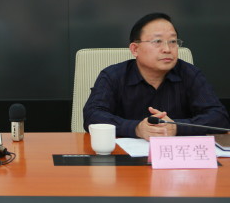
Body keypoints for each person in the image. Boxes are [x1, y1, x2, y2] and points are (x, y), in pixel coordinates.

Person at [83, 12, 230, 140]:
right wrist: (136, 128)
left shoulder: (190, 74)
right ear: (135, 49)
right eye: (157, 41)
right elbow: (92, 116)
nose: (167, 49)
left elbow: (219, 117)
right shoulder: (113, 76)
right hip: (123, 157)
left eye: (173, 42)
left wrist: (176, 127)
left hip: (177, 158)